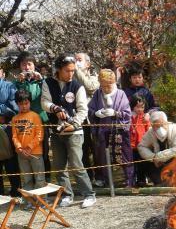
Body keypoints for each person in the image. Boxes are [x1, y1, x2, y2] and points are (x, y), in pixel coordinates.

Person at [41, 54, 96, 208]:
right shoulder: (48, 83)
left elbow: (83, 110)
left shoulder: (78, 86)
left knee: (76, 164)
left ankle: (89, 194)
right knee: (59, 166)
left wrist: (75, 124)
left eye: (73, 70)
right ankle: (67, 195)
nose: (71, 74)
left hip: (74, 132)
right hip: (56, 132)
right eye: (67, 70)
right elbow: (44, 102)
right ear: (59, 69)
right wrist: (55, 108)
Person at [88, 69, 133, 187]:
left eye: (108, 85)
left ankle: (129, 179)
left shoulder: (121, 94)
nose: (106, 88)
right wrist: (96, 113)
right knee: (102, 156)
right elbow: (90, 109)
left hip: (119, 131)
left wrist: (115, 113)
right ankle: (104, 180)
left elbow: (127, 114)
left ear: (113, 83)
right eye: (103, 86)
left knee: (124, 154)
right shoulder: (97, 94)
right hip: (102, 130)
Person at [14, 52, 51, 180]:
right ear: (20, 67)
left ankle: (46, 181)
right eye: (24, 65)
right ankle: (31, 183)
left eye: (29, 64)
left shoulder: (41, 81)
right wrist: (19, 83)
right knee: (25, 151)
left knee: (44, 151)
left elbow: (41, 96)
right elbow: (20, 98)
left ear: (34, 66)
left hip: (41, 119)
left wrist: (41, 80)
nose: (27, 68)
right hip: (24, 122)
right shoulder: (17, 82)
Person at [138, 111, 176, 187]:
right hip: (162, 164)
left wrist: (160, 156)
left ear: (166, 122)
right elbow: (141, 146)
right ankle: (161, 182)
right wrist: (153, 157)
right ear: (152, 126)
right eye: (157, 126)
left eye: (162, 124)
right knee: (143, 161)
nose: (160, 128)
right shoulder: (150, 132)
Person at [11, 89, 45, 195]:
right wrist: (20, 148)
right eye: (21, 104)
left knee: (39, 178)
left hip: (36, 152)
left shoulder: (35, 116)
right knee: (26, 179)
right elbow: (14, 136)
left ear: (30, 102)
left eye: (26, 103)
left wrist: (30, 147)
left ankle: (42, 201)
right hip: (22, 154)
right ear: (17, 104)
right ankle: (28, 201)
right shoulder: (14, 118)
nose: (24, 106)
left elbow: (40, 134)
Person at [74, 53, 99, 182]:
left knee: (96, 149)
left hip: (92, 119)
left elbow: (90, 87)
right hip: (78, 119)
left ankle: (100, 177)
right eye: (75, 60)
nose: (76, 62)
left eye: (79, 60)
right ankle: (88, 178)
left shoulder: (94, 76)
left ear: (88, 64)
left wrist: (77, 70)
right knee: (82, 150)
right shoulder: (71, 78)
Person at [129, 94, 150, 186]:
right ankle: (131, 180)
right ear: (132, 106)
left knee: (142, 163)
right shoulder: (128, 117)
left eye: (142, 107)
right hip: (131, 145)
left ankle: (141, 179)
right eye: (137, 107)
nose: (140, 109)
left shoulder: (145, 118)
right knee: (132, 164)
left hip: (142, 145)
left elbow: (148, 130)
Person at [0, 114, 21, 197]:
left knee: (13, 170)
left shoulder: (10, 124)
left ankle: (16, 192)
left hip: (10, 150)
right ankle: (1, 194)